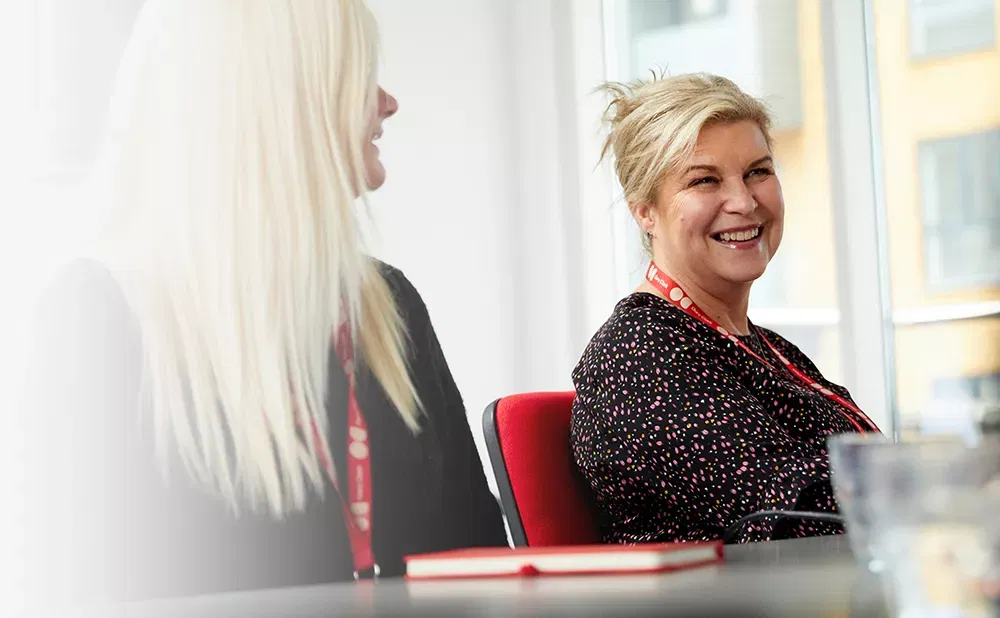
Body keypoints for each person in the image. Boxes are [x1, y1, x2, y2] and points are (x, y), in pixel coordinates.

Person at [21, 0, 506, 607]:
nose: (388, 102)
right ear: (290, 96)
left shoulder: (389, 307)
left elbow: (482, 565)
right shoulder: (100, 321)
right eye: (360, 72)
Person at [570, 73, 881, 546]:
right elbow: (797, 512)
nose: (743, 201)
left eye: (758, 171)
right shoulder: (639, 353)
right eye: (704, 180)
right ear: (645, 212)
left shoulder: (768, 348)